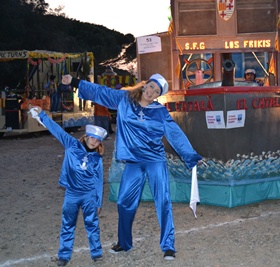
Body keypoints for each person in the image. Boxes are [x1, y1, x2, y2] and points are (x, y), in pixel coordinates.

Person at [61, 73, 202, 261]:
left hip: (155, 161)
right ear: (145, 85)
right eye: (151, 86)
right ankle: (124, 243)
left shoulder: (160, 112)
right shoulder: (125, 100)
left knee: (163, 201)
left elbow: (175, 134)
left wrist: (191, 156)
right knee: (124, 202)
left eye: (156, 91)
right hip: (133, 162)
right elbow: (100, 92)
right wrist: (76, 82)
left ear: (158, 95)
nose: (151, 92)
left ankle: (168, 246)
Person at [28, 106, 107, 266]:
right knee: (68, 224)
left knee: (92, 224)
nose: (94, 142)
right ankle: (64, 255)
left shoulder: (97, 159)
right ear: (86, 137)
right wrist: (42, 115)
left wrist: (98, 201)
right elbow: (57, 130)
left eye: (97, 140)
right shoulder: (71, 144)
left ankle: (96, 252)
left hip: (89, 195)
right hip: (71, 193)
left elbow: (99, 180)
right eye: (92, 138)